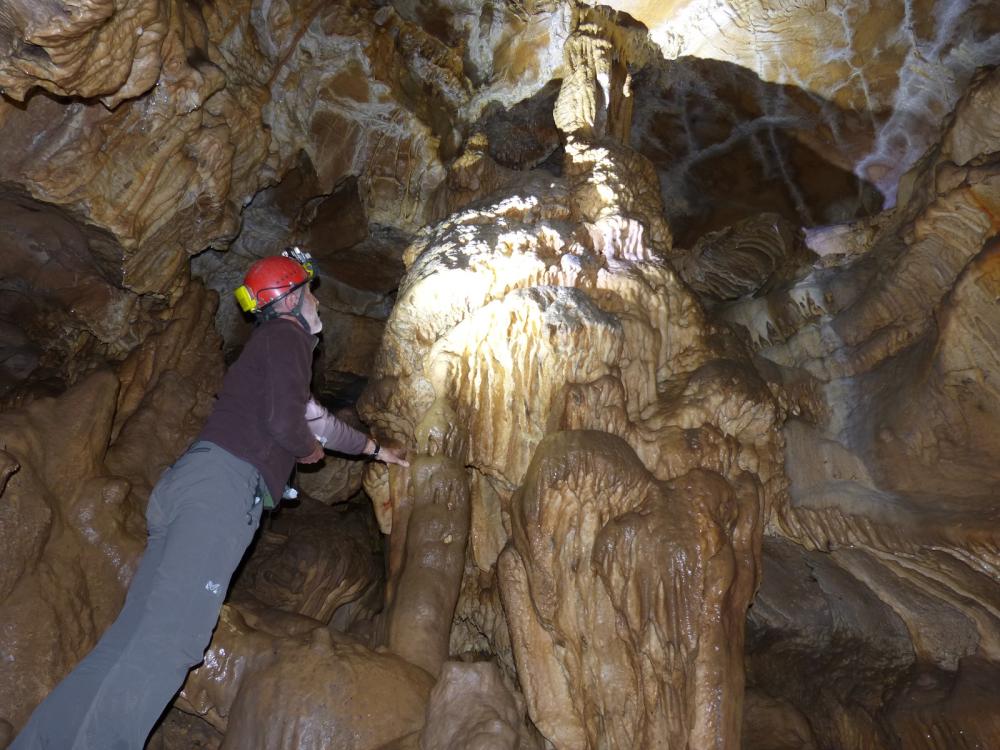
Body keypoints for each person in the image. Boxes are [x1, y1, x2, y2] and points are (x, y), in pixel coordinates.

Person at [12, 247, 408, 749]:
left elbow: (317, 419)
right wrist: (306, 454)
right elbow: (292, 425)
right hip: (221, 490)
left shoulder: (268, 350)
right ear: (287, 300)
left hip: (190, 485)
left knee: (131, 638)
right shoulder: (287, 339)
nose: (318, 303)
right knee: (172, 641)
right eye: (309, 292)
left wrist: (375, 450)